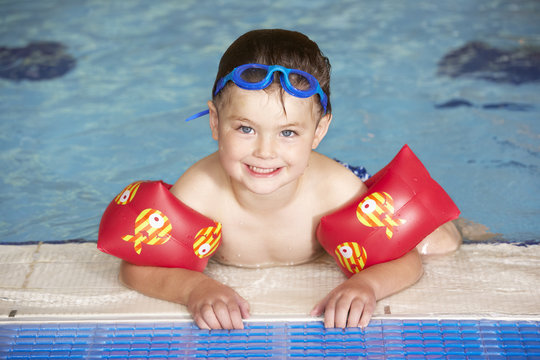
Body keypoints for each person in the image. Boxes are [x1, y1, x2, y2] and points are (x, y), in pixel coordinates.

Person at [118, 29, 461, 330]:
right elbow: (136, 267)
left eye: (287, 132)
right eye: (245, 128)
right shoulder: (198, 193)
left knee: (439, 245)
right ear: (214, 121)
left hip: (335, 177)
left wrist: (367, 285)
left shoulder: (336, 192)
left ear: (318, 131)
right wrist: (195, 289)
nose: (265, 151)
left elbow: (406, 257)